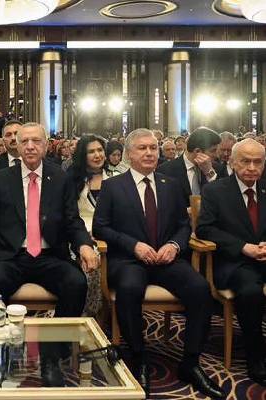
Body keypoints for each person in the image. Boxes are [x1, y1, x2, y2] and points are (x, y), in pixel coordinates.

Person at [93, 128, 224, 399]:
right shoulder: (113, 186)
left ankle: (191, 362)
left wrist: (174, 245)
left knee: (200, 289)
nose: (150, 153)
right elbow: (100, 227)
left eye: (153, 148)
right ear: (129, 154)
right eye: (142, 148)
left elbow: (183, 225)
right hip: (129, 259)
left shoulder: (170, 184)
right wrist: (134, 245)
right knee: (129, 289)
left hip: (166, 259)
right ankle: (139, 357)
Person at [0, 122, 98, 387]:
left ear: (46, 145)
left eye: (36, 141)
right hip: (11, 256)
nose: (30, 146)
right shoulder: (0, 179)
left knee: (76, 283)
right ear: (16, 146)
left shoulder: (60, 178)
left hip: (50, 255)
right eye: (25, 141)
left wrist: (84, 245)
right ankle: (2, 353)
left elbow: (72, 221)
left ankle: (52, 356)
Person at [196, 138, 266, 386]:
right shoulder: (216, 191)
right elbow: (205, 229)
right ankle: (256, 358)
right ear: (233, 162)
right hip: (235, 262)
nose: (252, 167)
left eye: (258, 162)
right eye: (246, 161)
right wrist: (243, 247)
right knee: (251, 291)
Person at [66, 135, 112, 317]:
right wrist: (85, 235)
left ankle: (107, 311)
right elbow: (69, 215)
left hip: (111, 232)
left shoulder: (116, 177)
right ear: (82, 156)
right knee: (90, 259)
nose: (97, 155)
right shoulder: (72, 179)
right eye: (91, 151)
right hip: (80, 234)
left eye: (100, 150)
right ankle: (88, 314)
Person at [157, 127, 223, 205]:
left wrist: (210, 174)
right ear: (197, 151)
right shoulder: (166, 170)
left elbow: (223, 198)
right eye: (213, 151)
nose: (216, 155)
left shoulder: (217, 168)